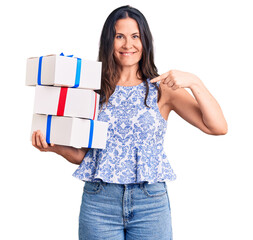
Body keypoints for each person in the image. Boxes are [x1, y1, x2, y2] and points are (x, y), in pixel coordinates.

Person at [32, 5, 228, 240]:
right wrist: (54, 148)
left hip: (151, 204)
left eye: (135, 36)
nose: (128, 45)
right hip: (99, 203)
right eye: (119, 36)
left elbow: (217, 127)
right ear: (108, 41)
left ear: (145, 41)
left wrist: (195, 82)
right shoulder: (91, 88)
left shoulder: (162, 89)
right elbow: (87, 156)